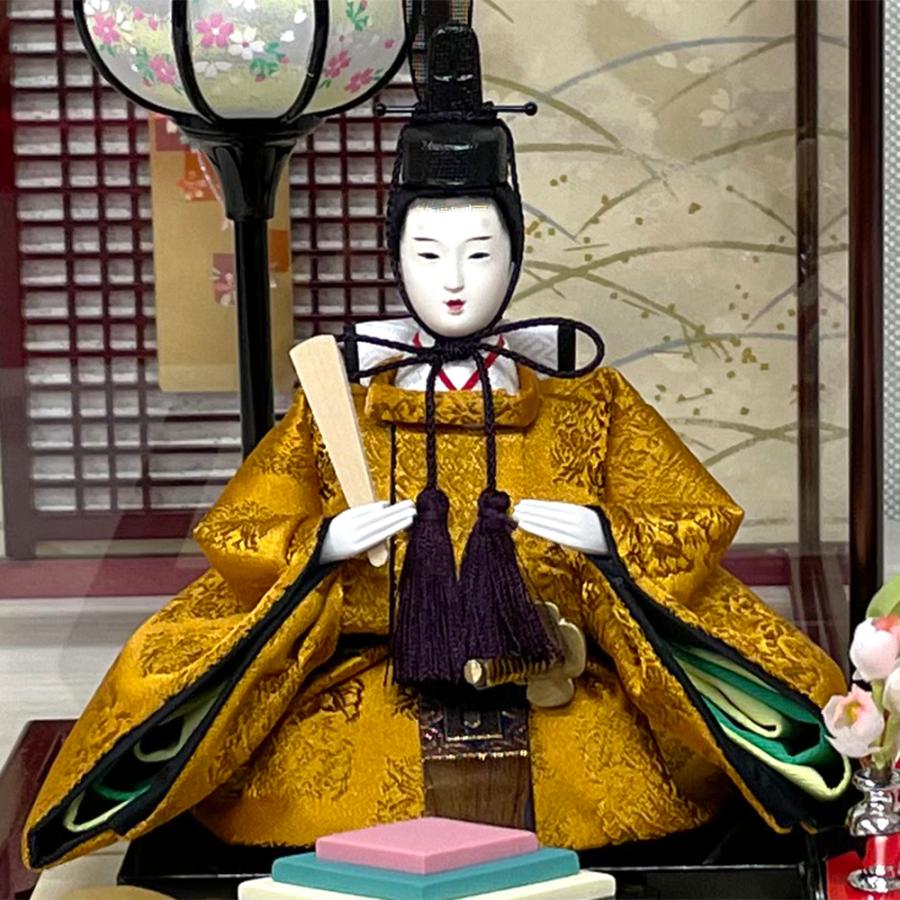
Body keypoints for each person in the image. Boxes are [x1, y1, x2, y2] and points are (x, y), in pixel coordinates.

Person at [24, 24, 848, 871]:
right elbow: (240, 530)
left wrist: (609, 539)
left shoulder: (586, 400)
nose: (453, 280)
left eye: (480, 253)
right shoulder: (340, 404)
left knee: (639, 776)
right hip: (374, 683)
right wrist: (319, 546)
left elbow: (693, 516)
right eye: (427, 253)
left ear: (515, 257)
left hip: (556, 678)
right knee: (301, 784)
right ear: (396, 256)